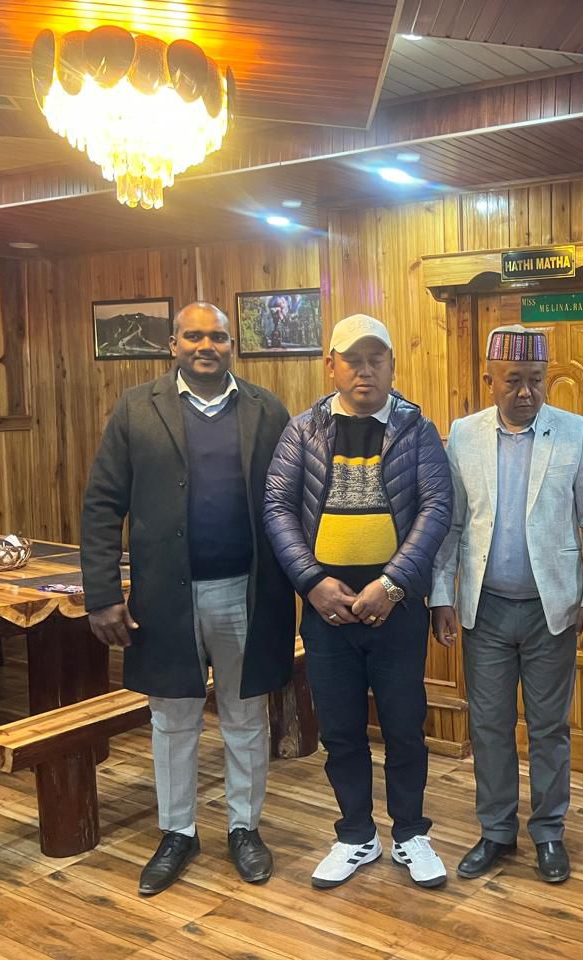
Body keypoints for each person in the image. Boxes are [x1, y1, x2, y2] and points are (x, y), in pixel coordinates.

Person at [81, 301, 294, 896]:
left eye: (218, 337)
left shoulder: (265, 409)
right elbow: (102, 505)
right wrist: (102, 594)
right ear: (172, 344)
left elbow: (292, 501)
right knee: (172, 719)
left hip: (246, 593)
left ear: (233, 345)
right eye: (194, 335)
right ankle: (178, 831)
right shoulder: (135, 409)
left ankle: (243, 828)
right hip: (164, 598)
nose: (207, 345)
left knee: (245, 716)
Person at [264, 313, 453, 890]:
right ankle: (355, 836)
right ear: (332, 365)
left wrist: (392, 584)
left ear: (392, 365)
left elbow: (436, 508)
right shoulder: (303, 431)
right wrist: (312, 582)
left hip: (396, 607)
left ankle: (410, 834)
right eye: (353, 359)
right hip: (325, 609)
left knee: (403, 726)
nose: (365, 370)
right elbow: (276, 507)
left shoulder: (417, 430)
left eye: (377, 359)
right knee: (341, 729)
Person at [430, 325, 583, 883]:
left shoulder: (575, 434)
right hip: (484, 608)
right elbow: (451, 524)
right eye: (514, 381)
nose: (527, 392)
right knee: (487, 725)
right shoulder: (463, 435)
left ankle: (549, 832)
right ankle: (496, 831)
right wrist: (441, 596)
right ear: (490, 381)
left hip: (550, 610)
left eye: (536, 381)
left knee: (549, 727)